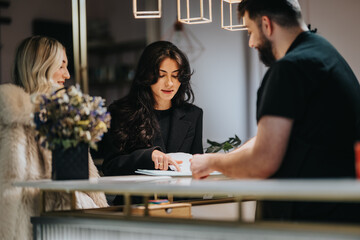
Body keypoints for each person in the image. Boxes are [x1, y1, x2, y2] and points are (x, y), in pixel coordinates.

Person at [190, 0, 360, 223]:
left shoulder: (289, 69)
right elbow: (297, 134)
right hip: (342, 213)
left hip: (309, 220)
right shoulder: (326, 55)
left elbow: (262, 162)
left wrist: (211, 162)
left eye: (250, 31)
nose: (251, 42)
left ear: (266, 24)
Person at [0, 36, 108, 240]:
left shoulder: (65, 114)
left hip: (69, 219)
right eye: (61, 66)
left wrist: (101, 211)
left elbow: (85, 178)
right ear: (41, 67)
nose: (67, 75)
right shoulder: (13, 116)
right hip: (35, 225)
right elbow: (8, 187)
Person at [101, 41, 203, 176]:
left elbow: (198, 167)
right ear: (146, 75)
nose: (169, 83)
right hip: (138, 196)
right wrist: (147, 157)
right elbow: (110, 167)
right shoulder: (121, 112)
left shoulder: (193, 114)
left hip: (181, 196)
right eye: (161, 75)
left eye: (175, 75)